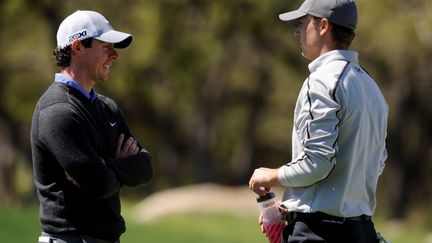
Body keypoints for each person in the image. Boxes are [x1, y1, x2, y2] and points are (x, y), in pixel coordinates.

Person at [248, 0, 388, 242]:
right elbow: (377, 162)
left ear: (323, 26)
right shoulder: (370, 86)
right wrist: (298, 202)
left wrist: (270, 175)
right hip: (361, 232)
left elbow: (317, 162)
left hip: (319, 232)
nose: (297, 32)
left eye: (303, 24)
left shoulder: (322, 81)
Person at [31, 10, 153, 243]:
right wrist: (117, 168)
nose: (115, 56)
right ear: (77, 47)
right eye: (106, 47)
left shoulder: (107, 108)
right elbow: (99, 184)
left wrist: (105, 166)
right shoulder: (57, 111)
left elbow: (145, 168)